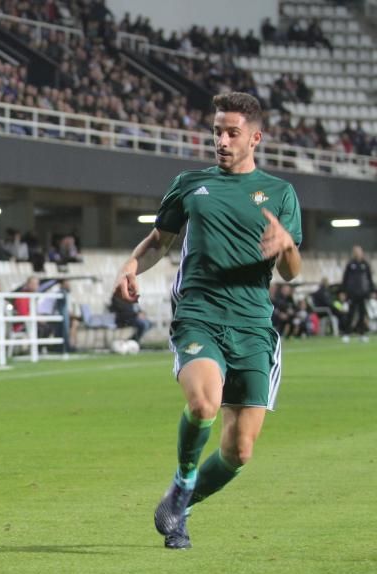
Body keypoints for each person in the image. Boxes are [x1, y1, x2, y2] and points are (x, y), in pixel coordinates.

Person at [113, 92, 302, 550]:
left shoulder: (279, 193)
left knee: (239, 451)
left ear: (255, 137)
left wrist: (286, 248)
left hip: (254, 327)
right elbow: (160, 239)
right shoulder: (190, 183)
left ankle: (182, 503)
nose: (221, 140)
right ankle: (182, 481)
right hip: (200, 315)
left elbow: (291, 273)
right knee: (203, 404)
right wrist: (132, 265)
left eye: (232, 132)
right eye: (217, 130)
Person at [341, 245, 372, 342]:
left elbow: (369, 279)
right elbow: (345, 279)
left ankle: (362, 334)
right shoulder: (350, 264)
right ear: (354, 253)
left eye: (360, 251)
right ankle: (346, 334)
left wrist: (372, 291)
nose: (358, 253)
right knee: (351, 314)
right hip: (352, 293)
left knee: (362, 315)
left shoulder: (365, 264)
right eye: (356, 252)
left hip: (363, 293)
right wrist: (343, 291)